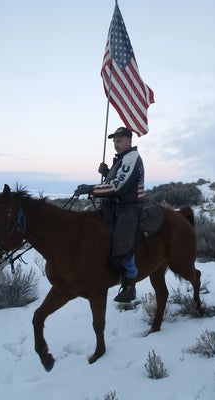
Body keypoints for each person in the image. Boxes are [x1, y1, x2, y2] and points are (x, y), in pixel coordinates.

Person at [74, 126, 144, 302]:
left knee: (123, 237)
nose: (116, 144)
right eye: (114, 141)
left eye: (119, 140)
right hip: (114, 205)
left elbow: (117, 187)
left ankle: (129, 284)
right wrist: (107, 173)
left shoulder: (131, 158)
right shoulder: (121, 159)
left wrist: (89, 188)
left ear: (129, 141)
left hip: (129, 206)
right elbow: (114, 180)